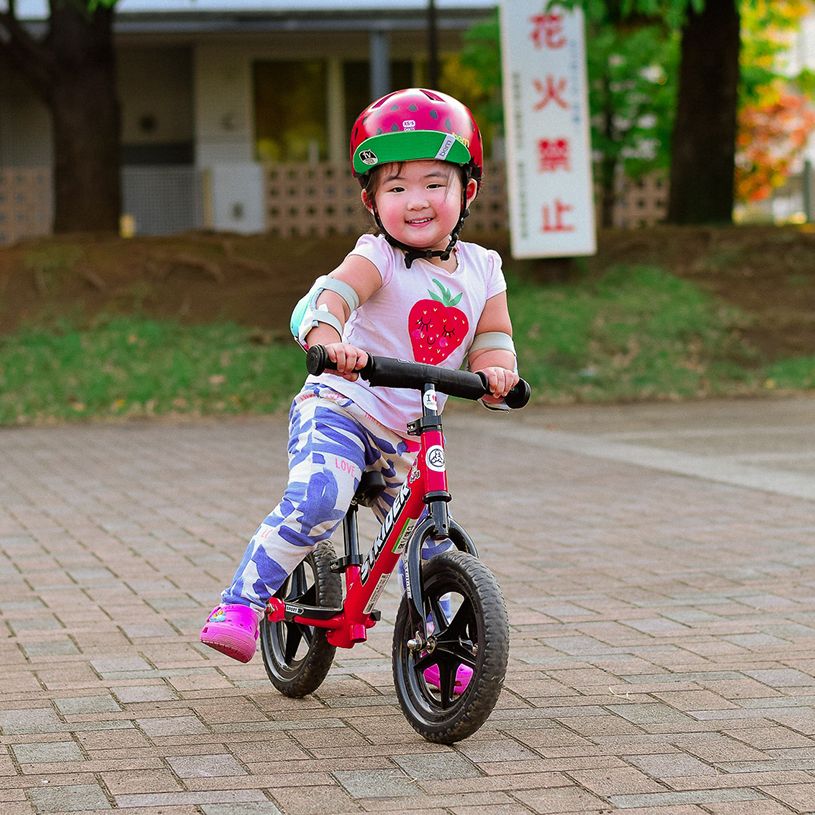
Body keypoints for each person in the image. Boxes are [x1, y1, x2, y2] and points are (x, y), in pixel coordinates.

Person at [200, 88, 519, 692]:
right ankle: (240, 602)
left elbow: (492, 335)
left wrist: (498, 373)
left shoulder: (484, 268)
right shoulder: (377, 256)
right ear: (371, 200)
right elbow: (334, 297)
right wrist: (330, 338)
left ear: (467, 191)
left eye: (434, 183)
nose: (416, 201)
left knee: (428, 540)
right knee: (322, 496)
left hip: (406, 430)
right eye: (396, 188)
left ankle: (437, 648)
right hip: (341, 408)